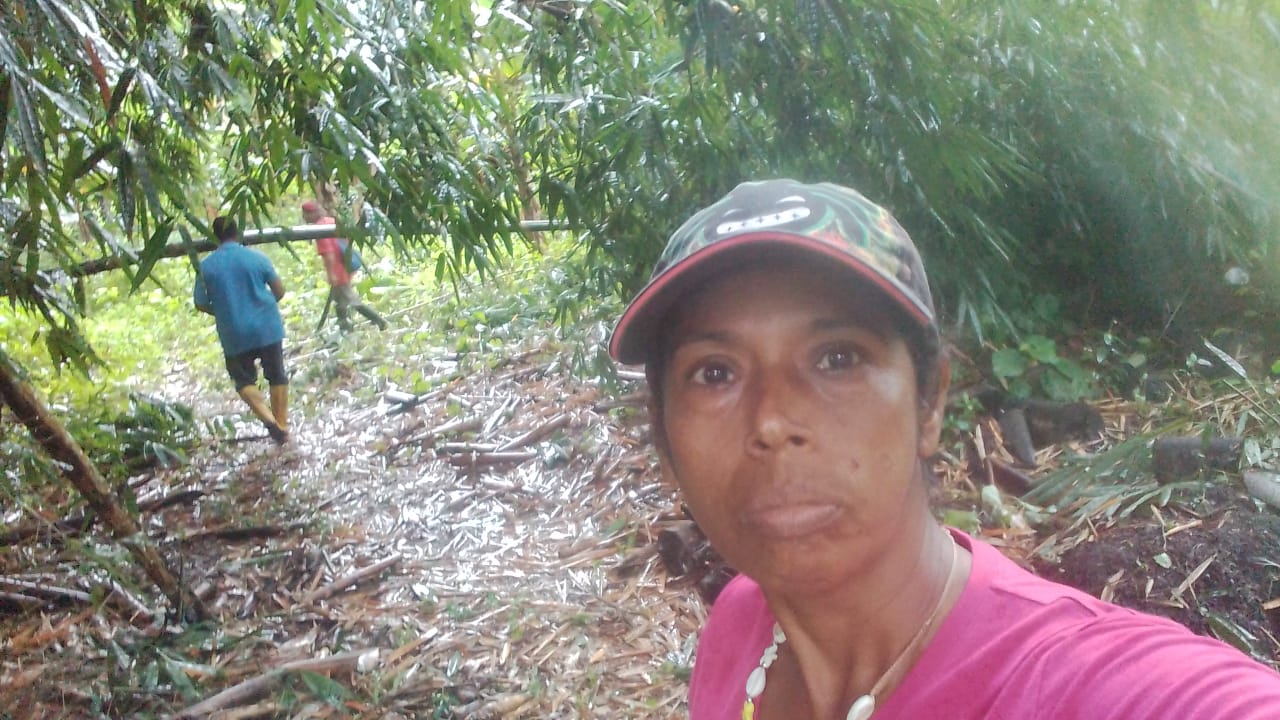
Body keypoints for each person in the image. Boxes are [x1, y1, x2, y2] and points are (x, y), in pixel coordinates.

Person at [608, 179, 1280, 719]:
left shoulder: (1070, 682)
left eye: (838, 357)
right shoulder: (738, 630)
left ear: (929, 403)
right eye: (714, 373)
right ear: (665, 440)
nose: (773, 420)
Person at [193, 216, 289, 444]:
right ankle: (281, 425)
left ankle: (269, 421)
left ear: (215, 237)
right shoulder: (257, 258)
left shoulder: (206, 266)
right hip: (267, 326)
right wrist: (264, 305)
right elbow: (279, 290)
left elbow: (200, 302)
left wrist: (223, 311)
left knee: (243, 380)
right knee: (277, 375)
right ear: (238, 233)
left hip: (234, 331)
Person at [301, 200, 387, 332]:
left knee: (350, 298)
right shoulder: (331, 221)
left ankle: (378, 321)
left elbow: (329, 254)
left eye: (305, 214)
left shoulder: (320, 230)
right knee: (339, 299)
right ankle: (344, 326)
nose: (304, 217)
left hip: (338, 269)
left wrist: (331, 274)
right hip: (346, 264)